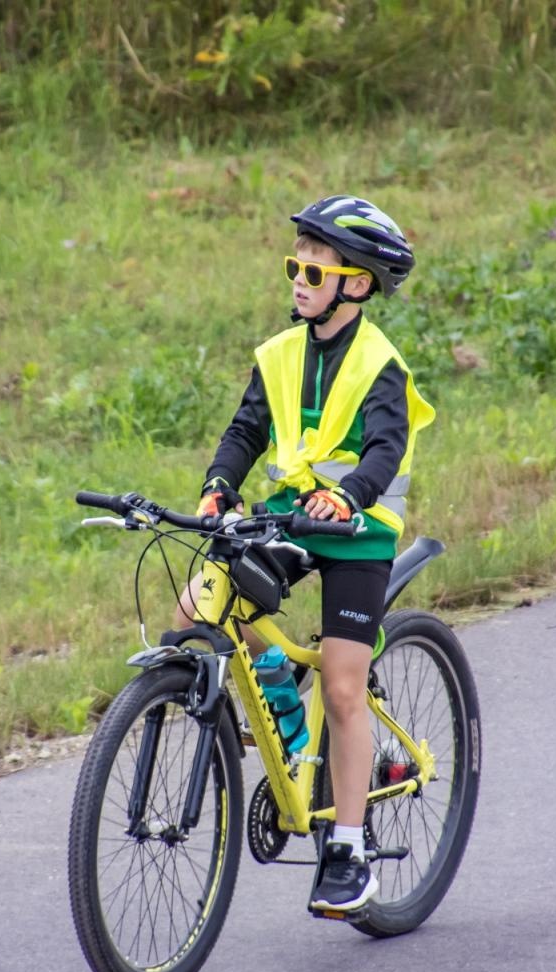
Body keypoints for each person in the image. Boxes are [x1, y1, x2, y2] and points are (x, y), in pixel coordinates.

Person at [175, 194, 435, 913]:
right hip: (291, 516)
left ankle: (349, 847)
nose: (297, 278)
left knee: (347, 687)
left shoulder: (380, 364)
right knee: (200, 602)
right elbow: (245, 431)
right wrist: (217, 487)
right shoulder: (281, 355)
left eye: (312, 268)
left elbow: (385, 448)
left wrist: (350, 495)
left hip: (359, 529)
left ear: (355, 284)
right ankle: (286, 704)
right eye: (294, 264)